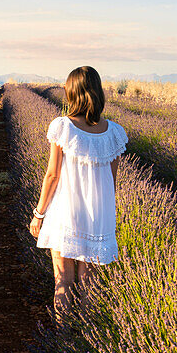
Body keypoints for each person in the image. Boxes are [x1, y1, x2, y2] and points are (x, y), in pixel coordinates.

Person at [29, 66, 128, 322]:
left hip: (66, 212)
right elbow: (111, 181)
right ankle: (86, 340)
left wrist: (39, 214)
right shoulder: (114, 133)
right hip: (99, 215)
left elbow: (52, 175)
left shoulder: (63, 127)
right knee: (88, 284)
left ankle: (63, 343)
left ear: (71, 92)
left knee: (63, 281)